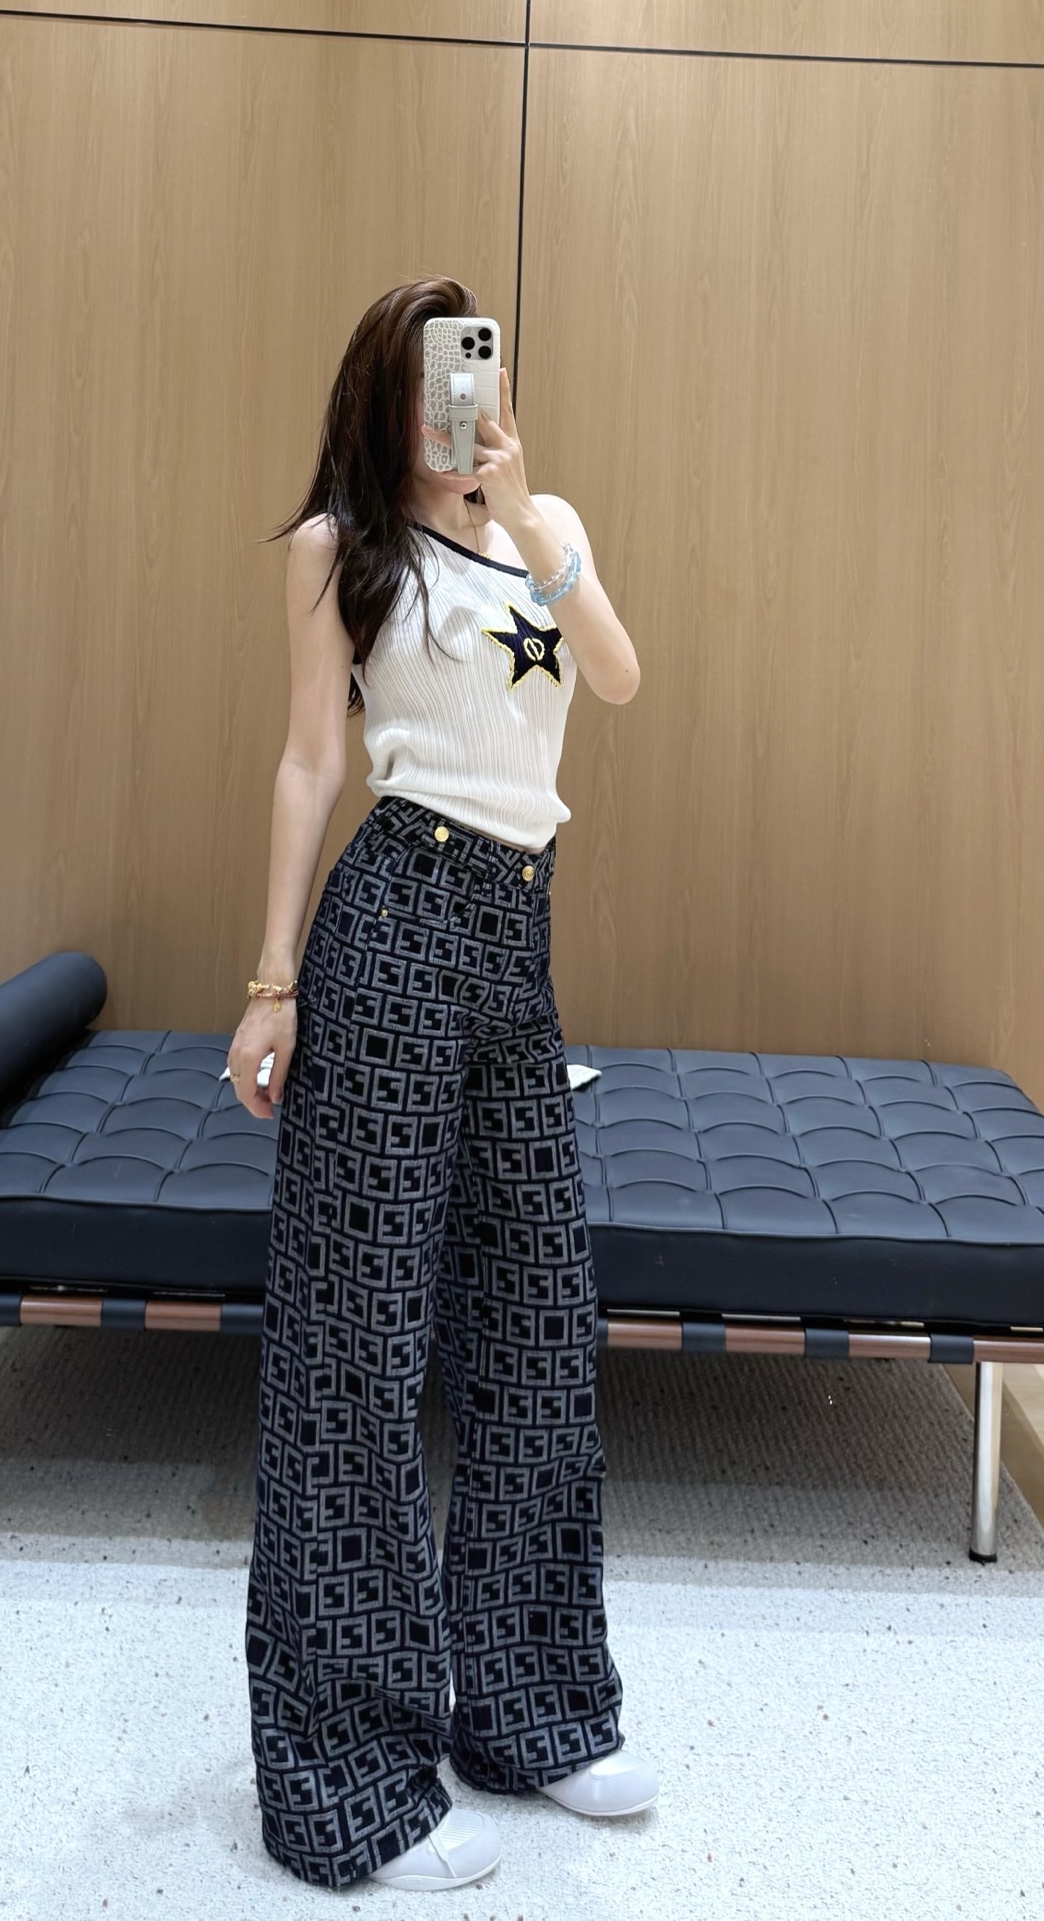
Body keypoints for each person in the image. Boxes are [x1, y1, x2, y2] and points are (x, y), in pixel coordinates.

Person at [227, 276, 653, 1895]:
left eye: (474, 371)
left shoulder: (547, 528)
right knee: (356, 1346)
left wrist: (525, 512)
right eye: (428, 379)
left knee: (538, 1326)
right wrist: (272, 984)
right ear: (382, 393)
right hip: (394, 923)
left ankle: (533, 1710)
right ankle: (347, 1769)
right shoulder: (340, 548)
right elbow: (309, 760)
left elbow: (618, 676)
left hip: (517, 942)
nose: (455, 403)